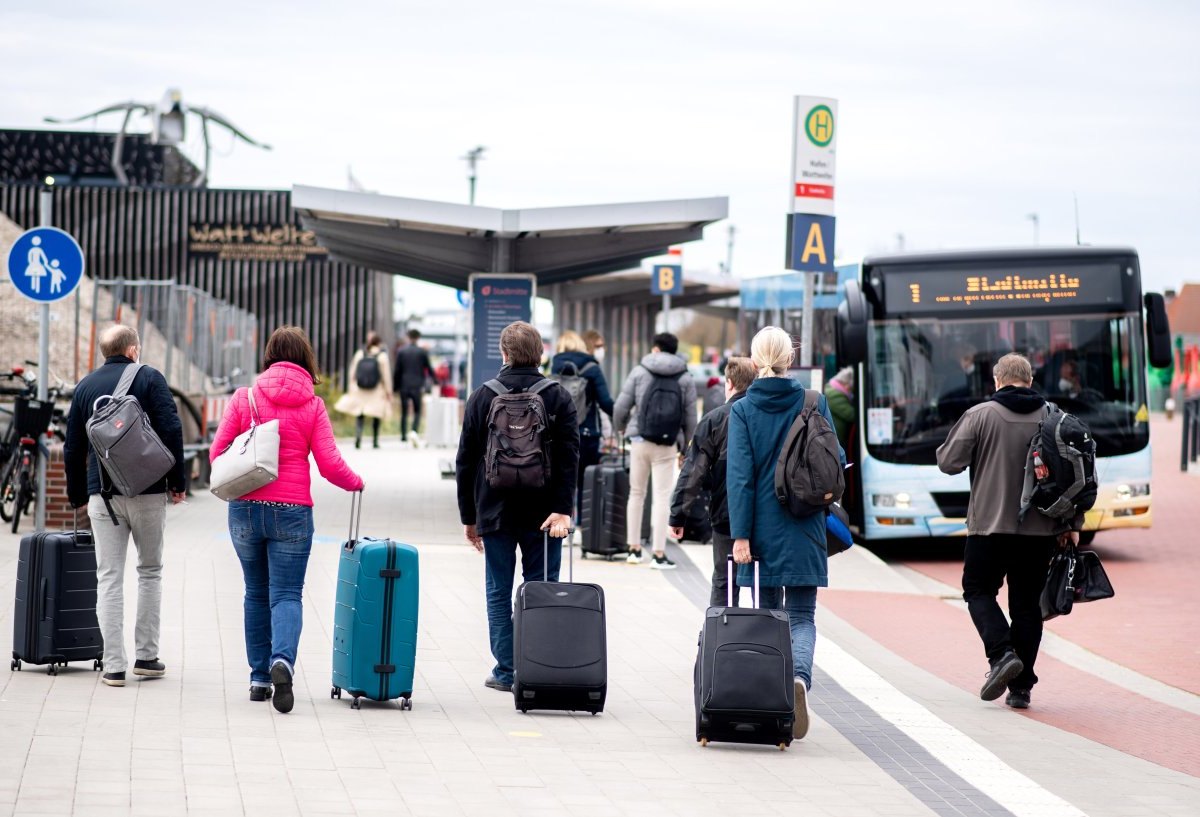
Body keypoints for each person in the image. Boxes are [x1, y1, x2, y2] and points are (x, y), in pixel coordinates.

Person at [211, 326, 364, 712]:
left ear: (268, 356)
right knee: (286, 595)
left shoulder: (244, 397)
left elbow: (217, 454)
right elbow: (329, 465)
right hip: (293, 513)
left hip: (244, 507)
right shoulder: (312, 405)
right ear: (306, 360)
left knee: (255, 592)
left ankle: (259, 678)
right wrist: (356, 482)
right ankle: (283, 661)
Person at [936, 353, 1077, 710]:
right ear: (1030, 381)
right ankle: (1021, 688)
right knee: (1027, 606)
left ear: (997, 381)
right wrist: (1072, 525)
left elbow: (948, 462)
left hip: (988, 526)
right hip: (1041, 530)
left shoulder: (981, 415)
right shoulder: (1053, 416)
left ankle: (1001, 655)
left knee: (978, 590)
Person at [727, 327, 844, 739]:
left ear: (755, 361)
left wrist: (740, 536)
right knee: (802, 616)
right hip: (805, 525)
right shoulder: (814, 402)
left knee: (767, 614)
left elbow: (738, 477)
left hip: (759, 531)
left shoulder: (742, 410)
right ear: (789, 360)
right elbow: (836, 459)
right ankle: (799, 678)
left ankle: (772, 694)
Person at [455, 321, 579, 692]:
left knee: (498, 589)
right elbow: (570, 456)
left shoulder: (483, 396)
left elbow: (465, 460)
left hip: (495, 509)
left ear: (504, 353)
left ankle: (507, 671)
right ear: (540, 353)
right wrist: (563, 509)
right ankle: (538, 666)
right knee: (541, 587)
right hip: (545, 513)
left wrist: (470, 517)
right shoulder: (557, 396)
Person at [64, 325, 186, 688]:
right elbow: (172, 429)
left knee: (109, 577)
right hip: (148, 491)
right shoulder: (149, 378)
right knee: (149, 571)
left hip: (102, 495)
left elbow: (73, 447)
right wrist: (177, 483)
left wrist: (77, 495)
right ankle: (146, 658)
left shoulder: (85, 387)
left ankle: (113, 666)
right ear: (133, 349)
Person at [669, 356, 756, 606]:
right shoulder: (765, 416)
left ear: (729, 383)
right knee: (767, 585)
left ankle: (723, 637)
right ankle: (768, 637)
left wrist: (678, 515)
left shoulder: (715, 419)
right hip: (766, 514)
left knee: (724, 581)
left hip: (727, 513)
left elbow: (693, 470)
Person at [613, 331, 698, 569]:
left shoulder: (641, 370)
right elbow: (691, 417)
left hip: (640, 439)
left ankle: (633, 550)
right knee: (662, 497)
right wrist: (685, 446)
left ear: (656, 349)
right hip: (668, 443)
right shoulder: (685, 376)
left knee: (637, 493)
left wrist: (621, 429)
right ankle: (659, 554)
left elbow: (621, 405)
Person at [550, 330, 614, 524]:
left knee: (564, 480)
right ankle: (580, 526)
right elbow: (606, 403)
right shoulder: (592, 368)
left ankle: (562, 521)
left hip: (560, 433)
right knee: (585, 482)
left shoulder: (555, 366)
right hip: (587, 434)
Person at [334, 331, 392, 449]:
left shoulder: (360, 353)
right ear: (379, 343)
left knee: (360, 414)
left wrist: (351, 386)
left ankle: (358, 438)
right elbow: (386, 376)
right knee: (377, 415)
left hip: (360, 389)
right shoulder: (382, 356)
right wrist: (388, 391)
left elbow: (352, 371)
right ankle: (375, 441)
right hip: (376, 390)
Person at [394, 329, 434, 443]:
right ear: (418, 338)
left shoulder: (401, 351)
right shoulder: (422, 352)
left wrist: (395, 387)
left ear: (408, 337)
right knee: (417, 410)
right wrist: (435, 380)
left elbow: (397, 370)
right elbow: (429, 368)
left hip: (404, 385)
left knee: (404, 411)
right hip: (417, 385)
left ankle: (403, 436)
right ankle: (413, 432)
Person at [824, 366, 857, 449]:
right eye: (851, 388)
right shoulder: (834, 395)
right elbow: (851, 415)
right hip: (834, 441)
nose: (851, 391)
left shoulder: (832, 389)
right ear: (845, 384)